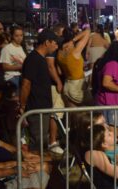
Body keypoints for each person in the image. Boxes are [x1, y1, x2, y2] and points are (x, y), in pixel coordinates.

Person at [0, 103, 51, 188]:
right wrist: (15, 165)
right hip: (5, 170)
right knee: (43, 167)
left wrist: (23, 154)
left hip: (12, 162)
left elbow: (4, 145)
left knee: (44, 162)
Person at [20, 29, 59, 152]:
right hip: (36, 107)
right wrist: (22, 105)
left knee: (42, 141)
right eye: (55, 43)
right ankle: (34, 168)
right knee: (38, 142)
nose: (56, 46)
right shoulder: (33, 59)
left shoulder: (41, 59)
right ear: (47, 42)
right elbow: (26, 84)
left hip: (43, 106)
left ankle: (39, 167)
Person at [93, 41, 118, 134]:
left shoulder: (106, 62)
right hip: (108, 103)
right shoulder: (112, 64)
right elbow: (106, 82)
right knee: (112, 134)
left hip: (106, 102)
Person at [57, 28, 91, 106]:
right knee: (91, 110)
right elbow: (88, 31)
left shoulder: (59, 52)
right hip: (77, 86)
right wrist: (73, 40)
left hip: (67, 86)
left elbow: (59, 71)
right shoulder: (76, 51)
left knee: (74, 115)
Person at [46, 25, 65, 154]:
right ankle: (52, 142)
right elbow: (51, 67)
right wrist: (58, 81)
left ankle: (55, 139)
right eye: (62, 33)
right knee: (56, 113)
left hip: (58, 83)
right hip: (54, 84)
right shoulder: (52, 48)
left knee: (58, 113)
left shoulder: (57, 47)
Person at [0, 25, 26, 90]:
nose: (19, 38)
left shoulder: (22, 48)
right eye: (16, 36)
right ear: (12, 36)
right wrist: (20, 67)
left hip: (21, 77)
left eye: (21, 35)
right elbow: (4, 66)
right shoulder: (7, 49)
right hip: (11, 77)